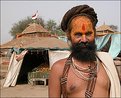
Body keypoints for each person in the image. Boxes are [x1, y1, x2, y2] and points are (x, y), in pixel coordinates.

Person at [49, 5, 120, 98]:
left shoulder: (107, 64)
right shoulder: (58, 69)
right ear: (69, 36)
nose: (84, 39)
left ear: (94, 34)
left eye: (88, 34)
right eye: (78, 35)